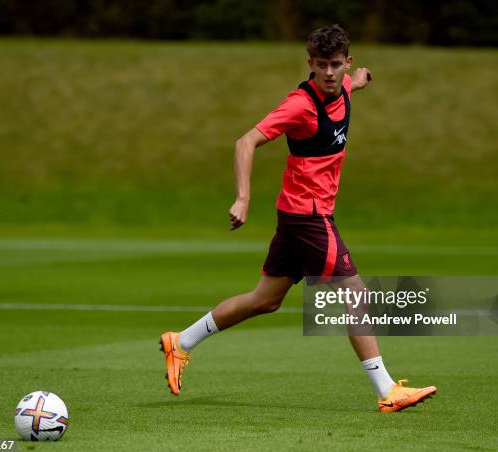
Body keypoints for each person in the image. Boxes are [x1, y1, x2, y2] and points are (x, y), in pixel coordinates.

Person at [159, 24, 436, 412]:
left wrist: (360, 79)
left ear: (346, 63)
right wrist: (243, 197)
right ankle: (387, 390)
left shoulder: (343, 85)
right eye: (320, 64)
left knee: (265, 300)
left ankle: (181, 341)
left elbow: (351, 84)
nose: (327, 73)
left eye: (335, 65)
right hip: (308, 217)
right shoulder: (301, 105)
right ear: (310, 63)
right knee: (356, 294)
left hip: (297, 215)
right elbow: (246, 141)